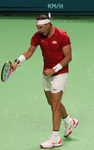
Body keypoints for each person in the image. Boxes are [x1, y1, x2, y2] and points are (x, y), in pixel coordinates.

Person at [12, 14, 79, 149]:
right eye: (37, 27)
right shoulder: (38, 36)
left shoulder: (62, 36)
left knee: (54, 106)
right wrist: (18, 61)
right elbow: (30, 51)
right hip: (46, 72)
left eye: (41, 27)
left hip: (59, 73)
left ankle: (55, 138)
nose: (39, 30)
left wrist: (54, 70)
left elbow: (68, 57)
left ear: (48, 24)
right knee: (52, 102)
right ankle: (68, 121)